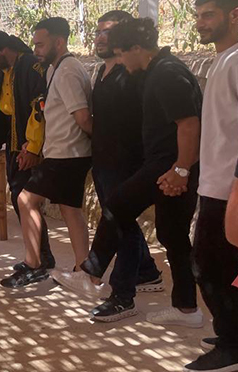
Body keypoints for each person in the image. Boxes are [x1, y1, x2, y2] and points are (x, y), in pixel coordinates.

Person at [54, 18, 203, 329]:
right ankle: (187, 309)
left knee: (118, 206)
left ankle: (91, 274)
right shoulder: (154, 70)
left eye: (122, 54)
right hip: (167, 164)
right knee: (172, 235)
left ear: (137, 48)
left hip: (168, 164)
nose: (120, 61)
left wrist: (181, 169)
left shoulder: (167, 73)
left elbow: (189, 124)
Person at [2, 18, 92, 288]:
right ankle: (84, 269)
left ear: (59, 42)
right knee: (70, 210)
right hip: (63, 152)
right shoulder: (56, 69)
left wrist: (101, 144)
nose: (35, 50)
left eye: (40, 44)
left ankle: (34, 264)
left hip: (67, 153)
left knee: (25, 200)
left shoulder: (67, 71)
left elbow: (83, 117)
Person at [182, 0, 238, 372]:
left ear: (234, 15)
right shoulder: (223, 59)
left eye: (209, 15)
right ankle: (232, 333)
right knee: (217, 266)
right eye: (198, 15)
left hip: (228, 188)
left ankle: (232, 344)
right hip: (216, 184)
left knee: (208, 265)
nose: (200, 23)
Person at [0, 30, 54, 275]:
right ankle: (41, 255)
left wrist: (32, 147)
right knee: (19, 198)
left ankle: (39, 259)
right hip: (12, 140)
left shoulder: (30, 66)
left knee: (25, 200)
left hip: (28, 142)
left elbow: (39, 108)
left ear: (2, 50)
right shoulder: (1, 72)